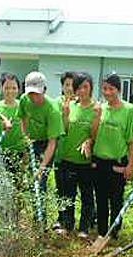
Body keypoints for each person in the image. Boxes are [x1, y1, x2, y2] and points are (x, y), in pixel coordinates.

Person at [92, 73, 133, 240]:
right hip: (99, 160)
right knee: (101, 198)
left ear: (118, 90)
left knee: (116, 198)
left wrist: (131, 164)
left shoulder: (129, 110)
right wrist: (96, 117)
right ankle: (102, 232)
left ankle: (114, 231)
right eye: (104, 88)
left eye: (111, 89)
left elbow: (132, 140)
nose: (107, 92)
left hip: (117, 162)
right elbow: (93, 136)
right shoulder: (100, 108)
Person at [18, 71, 64, 225]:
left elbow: (53, 142)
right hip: (32, 141)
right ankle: (35, 217)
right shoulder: (24, 100)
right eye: (30, 94)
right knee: (31, 182)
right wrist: (25, 137)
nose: (33, 98)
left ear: (44, 90)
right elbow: (22, 118)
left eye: (36, 94)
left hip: (46, 144)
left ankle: (41, 221)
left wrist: (42, 167)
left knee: (40, 180)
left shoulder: (52, 110)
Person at [56, 72, 98, 237]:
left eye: (85, 87)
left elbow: (96, 134)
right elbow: (64, 130)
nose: (82, 90)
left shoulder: (96, 108)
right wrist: (65, 115)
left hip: (85, 161)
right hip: (68, 158)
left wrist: (89, 141)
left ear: (91, 88)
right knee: (68, 195)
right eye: (79, 87)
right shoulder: (70, 106)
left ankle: (84, 228)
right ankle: (67, 224)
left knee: (87, 195)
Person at [0, 73, 27, 208]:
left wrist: (26, 151)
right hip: (1, 152)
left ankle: (16, 214)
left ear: (19, 89)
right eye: (7, 88)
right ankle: (4, 213)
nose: (10, 91)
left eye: (14, 88)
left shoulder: (23, 106)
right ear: (1, 88)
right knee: (3, 184)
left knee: (17, 185)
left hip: (19, 151)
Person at [52, 71, 76, 232]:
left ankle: (71, 221)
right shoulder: (55, 103)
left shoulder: (81, 104)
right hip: (59, 154)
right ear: (62, 86)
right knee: (60, 188)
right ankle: (61, 219)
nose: (70, 88)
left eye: (73, 85)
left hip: (75, 155)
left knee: (72, 190)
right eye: (66, 85)